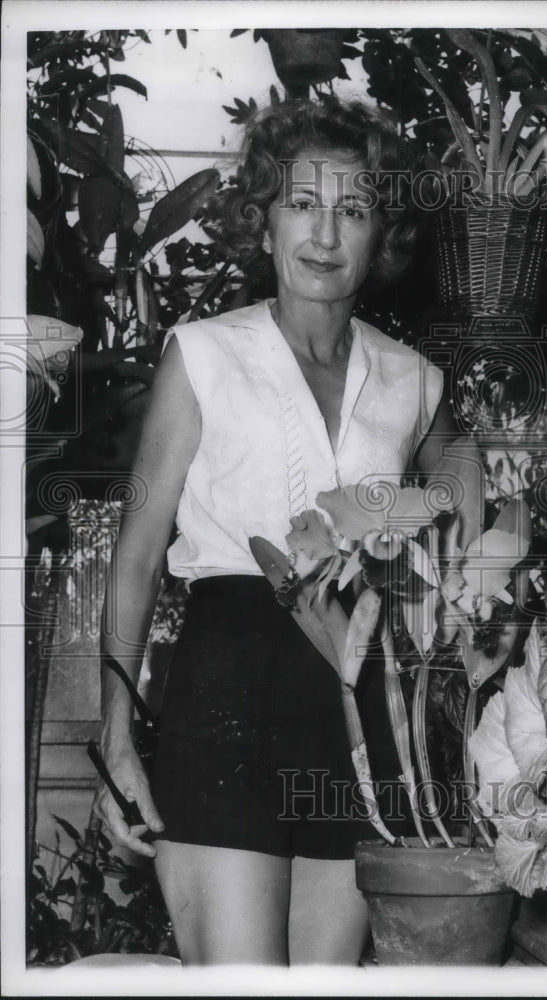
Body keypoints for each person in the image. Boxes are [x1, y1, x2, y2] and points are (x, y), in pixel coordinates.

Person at [95, 98, 476, 966]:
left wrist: (401, 521)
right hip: (225, 692)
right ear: (264, 219)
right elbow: (138, 553)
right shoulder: (202, 354)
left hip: (358, 713)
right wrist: (117, 735)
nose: (326, 234)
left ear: (382, 235)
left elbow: (474, 489)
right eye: (303, 203)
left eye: (354, 210)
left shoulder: (414, 380)